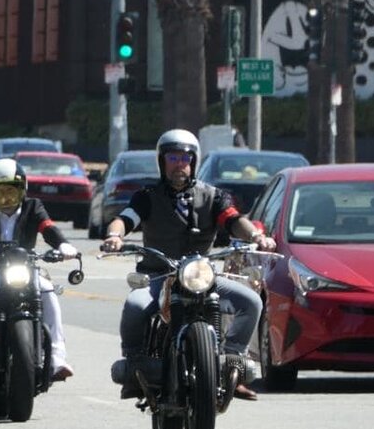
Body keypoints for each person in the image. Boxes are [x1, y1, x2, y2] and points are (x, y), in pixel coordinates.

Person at [102, 128, 276, 401]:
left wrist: (256, 236)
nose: (179, 165)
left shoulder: (214, 196)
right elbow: (125, 218)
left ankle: (231, 364)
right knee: (135, 306)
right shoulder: (147, 196)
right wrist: (115, 235)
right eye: (172, 158)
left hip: (200, 274)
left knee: (251, 301)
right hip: (159, 275)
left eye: (185, 158)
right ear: (162, 162)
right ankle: (135, 366)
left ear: (194, 161)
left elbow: (233, 220)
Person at [0, 158, 79, 390]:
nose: (6, 198)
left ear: (23, 189)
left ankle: (58, 358)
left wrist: (63, 245)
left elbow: (48, 228)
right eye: (0, 191)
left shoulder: (33, 206)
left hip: (25, 270)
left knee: (49, 291)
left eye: (12, 190)